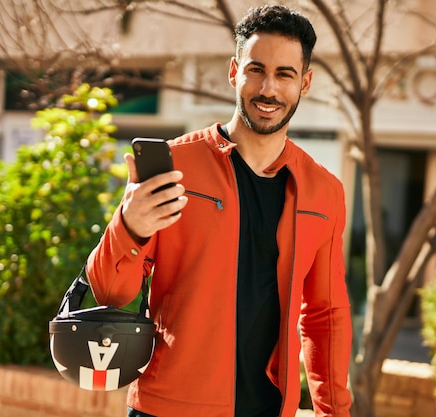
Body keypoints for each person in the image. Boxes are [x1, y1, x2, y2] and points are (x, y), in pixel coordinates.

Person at [86, 4, 352, 417]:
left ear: (305, 83)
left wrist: (334, 410)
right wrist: (128, 227)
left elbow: (325, 314)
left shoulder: (325, 192)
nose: (268, 89)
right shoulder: (174, 165)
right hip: (168, 407)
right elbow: (110, 291)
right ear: (234, 71)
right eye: (256, 70)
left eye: (285, 74)